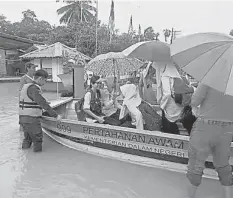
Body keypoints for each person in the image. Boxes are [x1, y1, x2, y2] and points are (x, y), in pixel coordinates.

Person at [186, 83, 233, 198]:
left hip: (205, 127)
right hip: (227, 128)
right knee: (223, 166)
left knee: (195, 166)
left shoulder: (211, 79)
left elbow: (195, 101)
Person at [19, 69, 61, 152]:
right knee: (37, 139)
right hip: (32, 119)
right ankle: (37, 158)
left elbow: (31, 100)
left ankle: (26, 158)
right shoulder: (34, 88)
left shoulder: (26, 86)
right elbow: (42, 103)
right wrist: (56, 115)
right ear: (40, 79)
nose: (45, 82)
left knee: (27, 139)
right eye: (45, 80)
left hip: (23, 118)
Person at [19, 62, 38, 132]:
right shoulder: (24, 79)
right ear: (28, 68)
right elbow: (21, 92)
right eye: (33, 68)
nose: (35, 70)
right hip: (26, 104)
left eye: (35, 68)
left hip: (34, 103)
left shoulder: (35, 78)